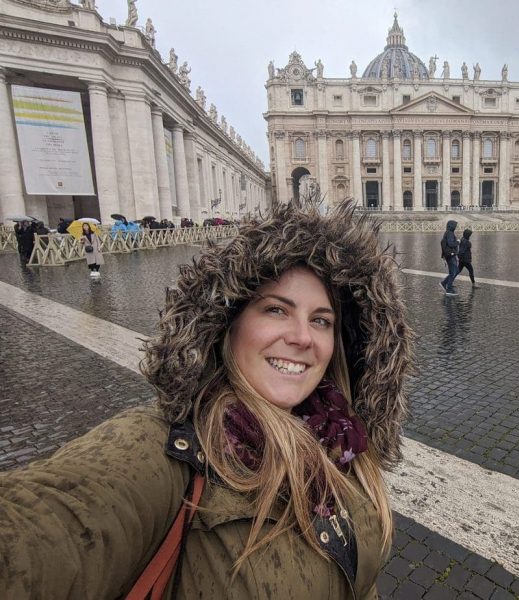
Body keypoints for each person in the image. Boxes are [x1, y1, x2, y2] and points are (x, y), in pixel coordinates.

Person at [0, 201, 413, 598]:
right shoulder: (168, 449)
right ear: (226, 323)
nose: (302, 337)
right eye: (275, 310)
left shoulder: (344, 441)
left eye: (320, 320)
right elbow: (48, 527)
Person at [440, 219, 459, 296]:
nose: (455, 227)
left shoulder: (447, 233)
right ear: (451, 226)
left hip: (450, 255)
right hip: (450, 255)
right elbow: (451, 244)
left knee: (455, 271)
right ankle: (449, 289)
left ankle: (444, 283)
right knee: (453, 272)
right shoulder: (450, 233)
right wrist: (458, 242)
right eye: (455, 226)